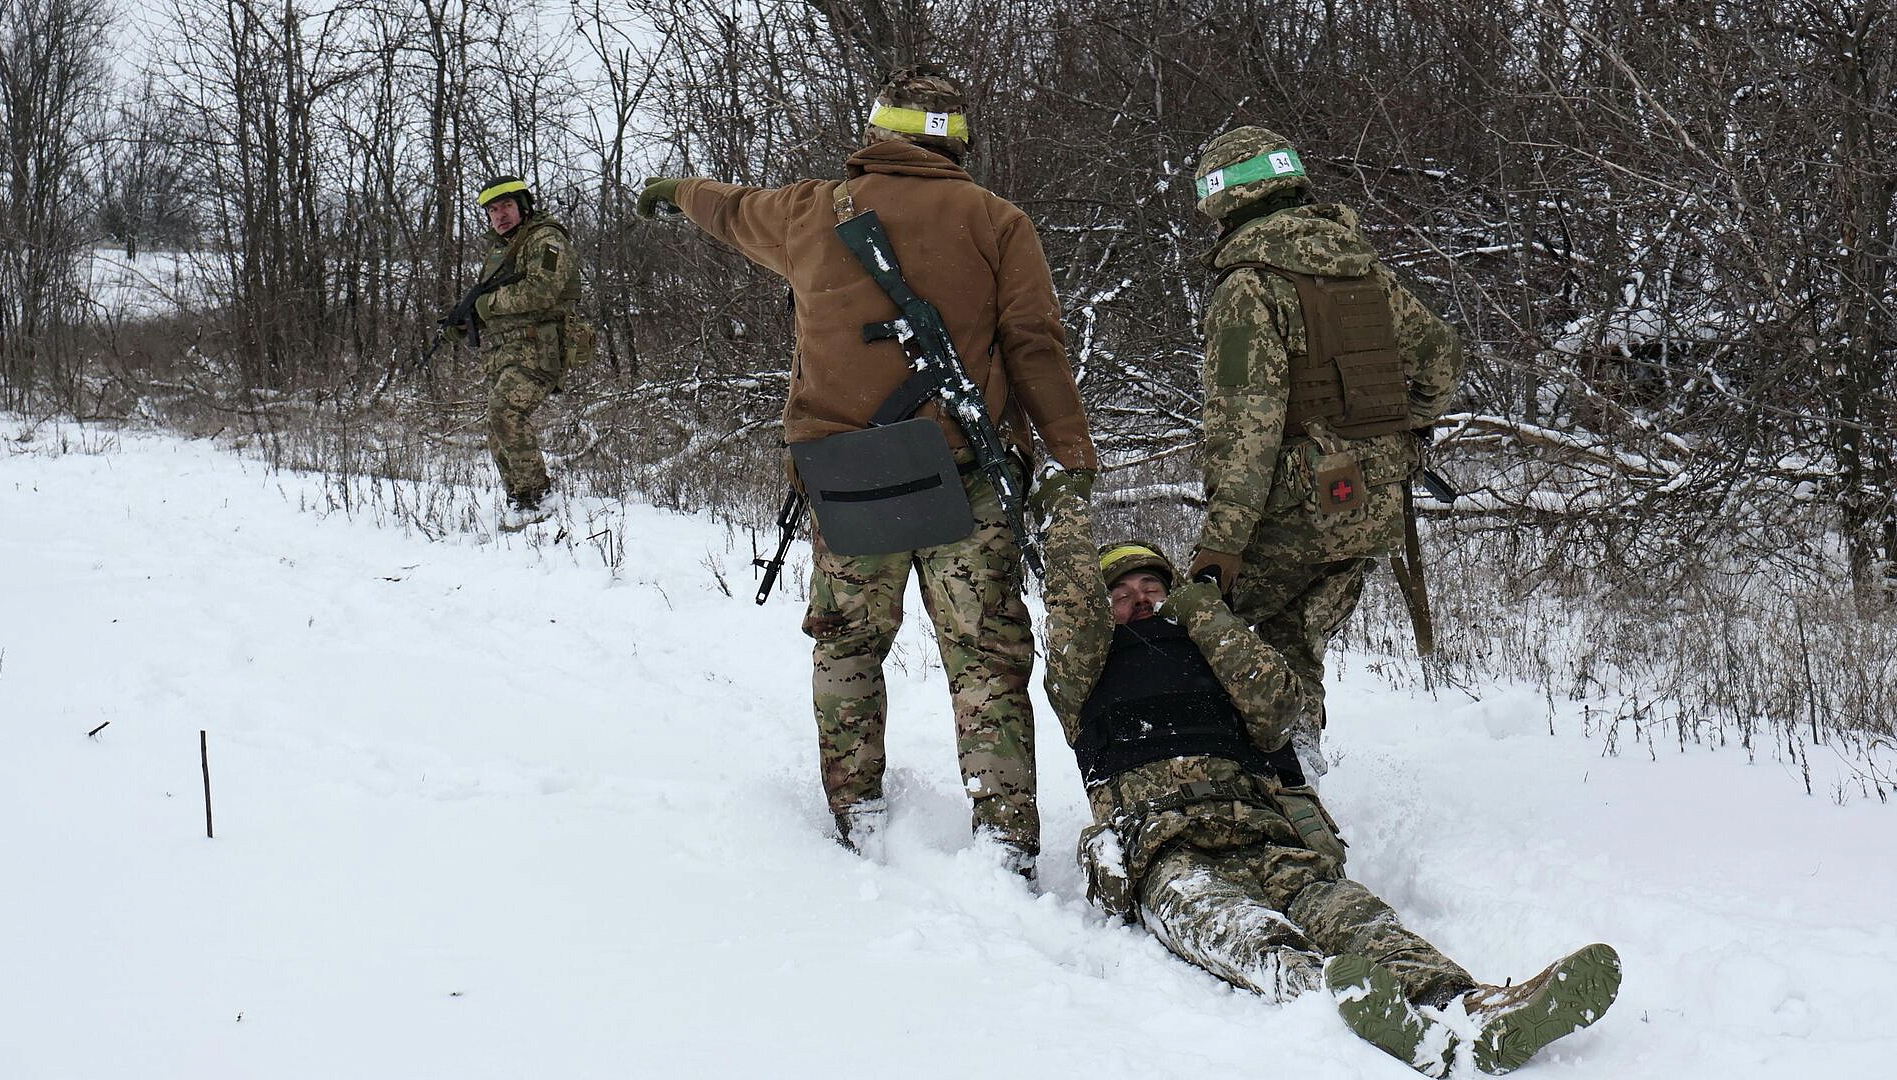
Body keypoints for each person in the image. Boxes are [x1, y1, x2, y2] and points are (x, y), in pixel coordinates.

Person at [636, 67, 1099, 875]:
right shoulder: (997, 220)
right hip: (965, 479)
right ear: (954, 140)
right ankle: (1005, 842)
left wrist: (677, 189)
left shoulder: (809, 211)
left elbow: (728, 208)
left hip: (848, 480)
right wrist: (1070, 455)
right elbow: (1034, 346)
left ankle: (858, 814)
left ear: (878, 132)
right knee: (984, 657)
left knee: (847, 646)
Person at [1031, 467, 1620, 1077]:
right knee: (1243, 932)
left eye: (1152, 587)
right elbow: (1072, 607)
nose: (1140, 601)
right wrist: (1066, 510)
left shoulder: (1216, 656)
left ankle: (1468, 1008)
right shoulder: (1084, 676)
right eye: (1120, 596)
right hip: (1163, 850)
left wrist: (1205, 616)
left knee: (1354, 918)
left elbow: (1282, 706)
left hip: (1263, 829)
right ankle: (1348, 1009)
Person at [1184, 127, 1464, 775]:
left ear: (1225, 205)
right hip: (1370, 502)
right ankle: (1296, 761)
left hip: (1291, 506)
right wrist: (1400, 435)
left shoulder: (1249, 287)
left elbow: (1244, 431)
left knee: (1193, 630)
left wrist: (1222, 544)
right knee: (1296, 639)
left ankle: (1202, 776)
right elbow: (1441, 363)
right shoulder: (1367, 272)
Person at [444, 175, 586, 531]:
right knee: (497, 426)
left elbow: (542, 291)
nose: (500, 215)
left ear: (523, 205)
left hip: (540, 348)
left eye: (506, 206)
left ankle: (536, 496)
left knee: (505, 412)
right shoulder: (500, 250)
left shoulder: (546, 238)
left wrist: (485, 305)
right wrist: (464, 322)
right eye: (492, 210)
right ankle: (519, 498)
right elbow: (497, 305)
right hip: (507, 351)